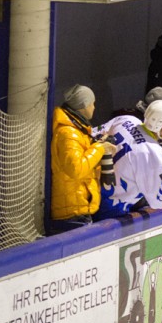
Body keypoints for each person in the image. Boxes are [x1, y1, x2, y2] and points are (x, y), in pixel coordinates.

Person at [92, 100, 162, 220]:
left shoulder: (126, 119)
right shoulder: (153, 153)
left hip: (90, 189)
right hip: (110, 207)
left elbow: (92, 136)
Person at [49, 84, 116, 234]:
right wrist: (100, 148)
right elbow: (76, 169)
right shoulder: (68, 133)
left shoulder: (77, 130)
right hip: (71, 214)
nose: (94, 107)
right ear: (84, 105)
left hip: (77, 209)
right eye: (92, 103)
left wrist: (97, 145)